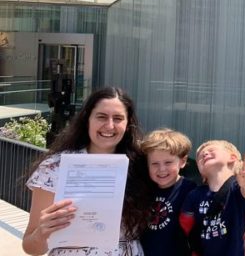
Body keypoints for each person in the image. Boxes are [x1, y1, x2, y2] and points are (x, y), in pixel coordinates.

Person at [22, 87, 152, 256]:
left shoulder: (142, 165)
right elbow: (30, 247)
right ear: (87, 120)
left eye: (118, 118)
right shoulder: (54, 167)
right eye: (101, 117)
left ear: (127, 125)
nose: (110, 125)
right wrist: (42, 232)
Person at [179, 140, 245, 256]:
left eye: (211, 150)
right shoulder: (194, 195)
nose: (204, 154)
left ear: (232, 157)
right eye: (200, 157)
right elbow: (186, 224)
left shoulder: (237, 188)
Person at [140, 128, 198, 256]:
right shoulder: (144, 190)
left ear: (182, 162)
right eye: (155, 163)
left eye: (168, 162)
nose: (161, 169)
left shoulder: (191, 190)